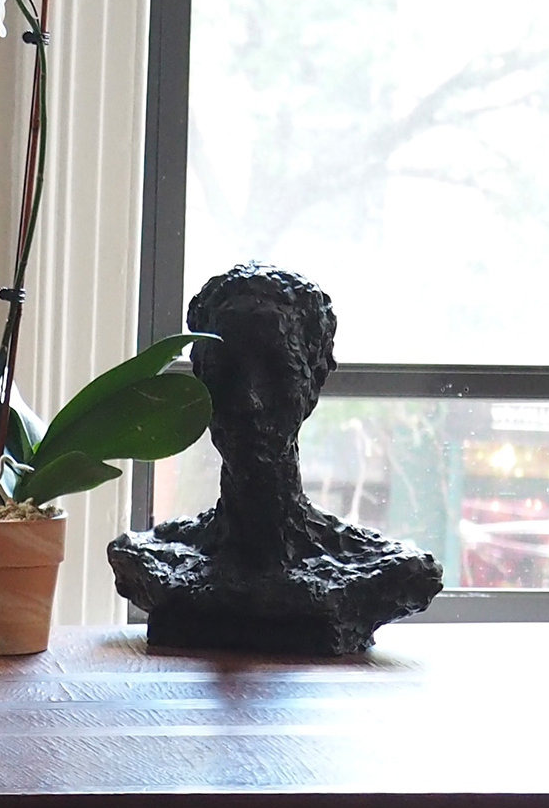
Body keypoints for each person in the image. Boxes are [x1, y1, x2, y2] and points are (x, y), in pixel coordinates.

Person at [109, 264, 442, 656]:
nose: (249, 399)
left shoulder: (386, 570)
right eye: (227, 369)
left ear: (314, 382)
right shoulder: (151, 557)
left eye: (276, 369)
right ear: (201, 378)